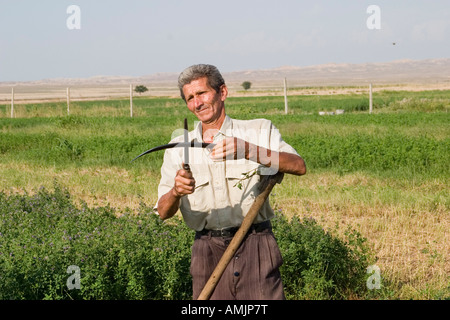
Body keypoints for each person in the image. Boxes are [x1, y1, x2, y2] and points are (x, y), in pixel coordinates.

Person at [155, 64, 306, 300]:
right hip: (207, 250)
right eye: (190, 98)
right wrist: (176, 191)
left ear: (222, 92)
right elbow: (163, 212)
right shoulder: (178, 147)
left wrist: (250, 150)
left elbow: (298, 165)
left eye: (202, 93)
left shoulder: (258, 131)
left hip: (255, 244)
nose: (197, 103)